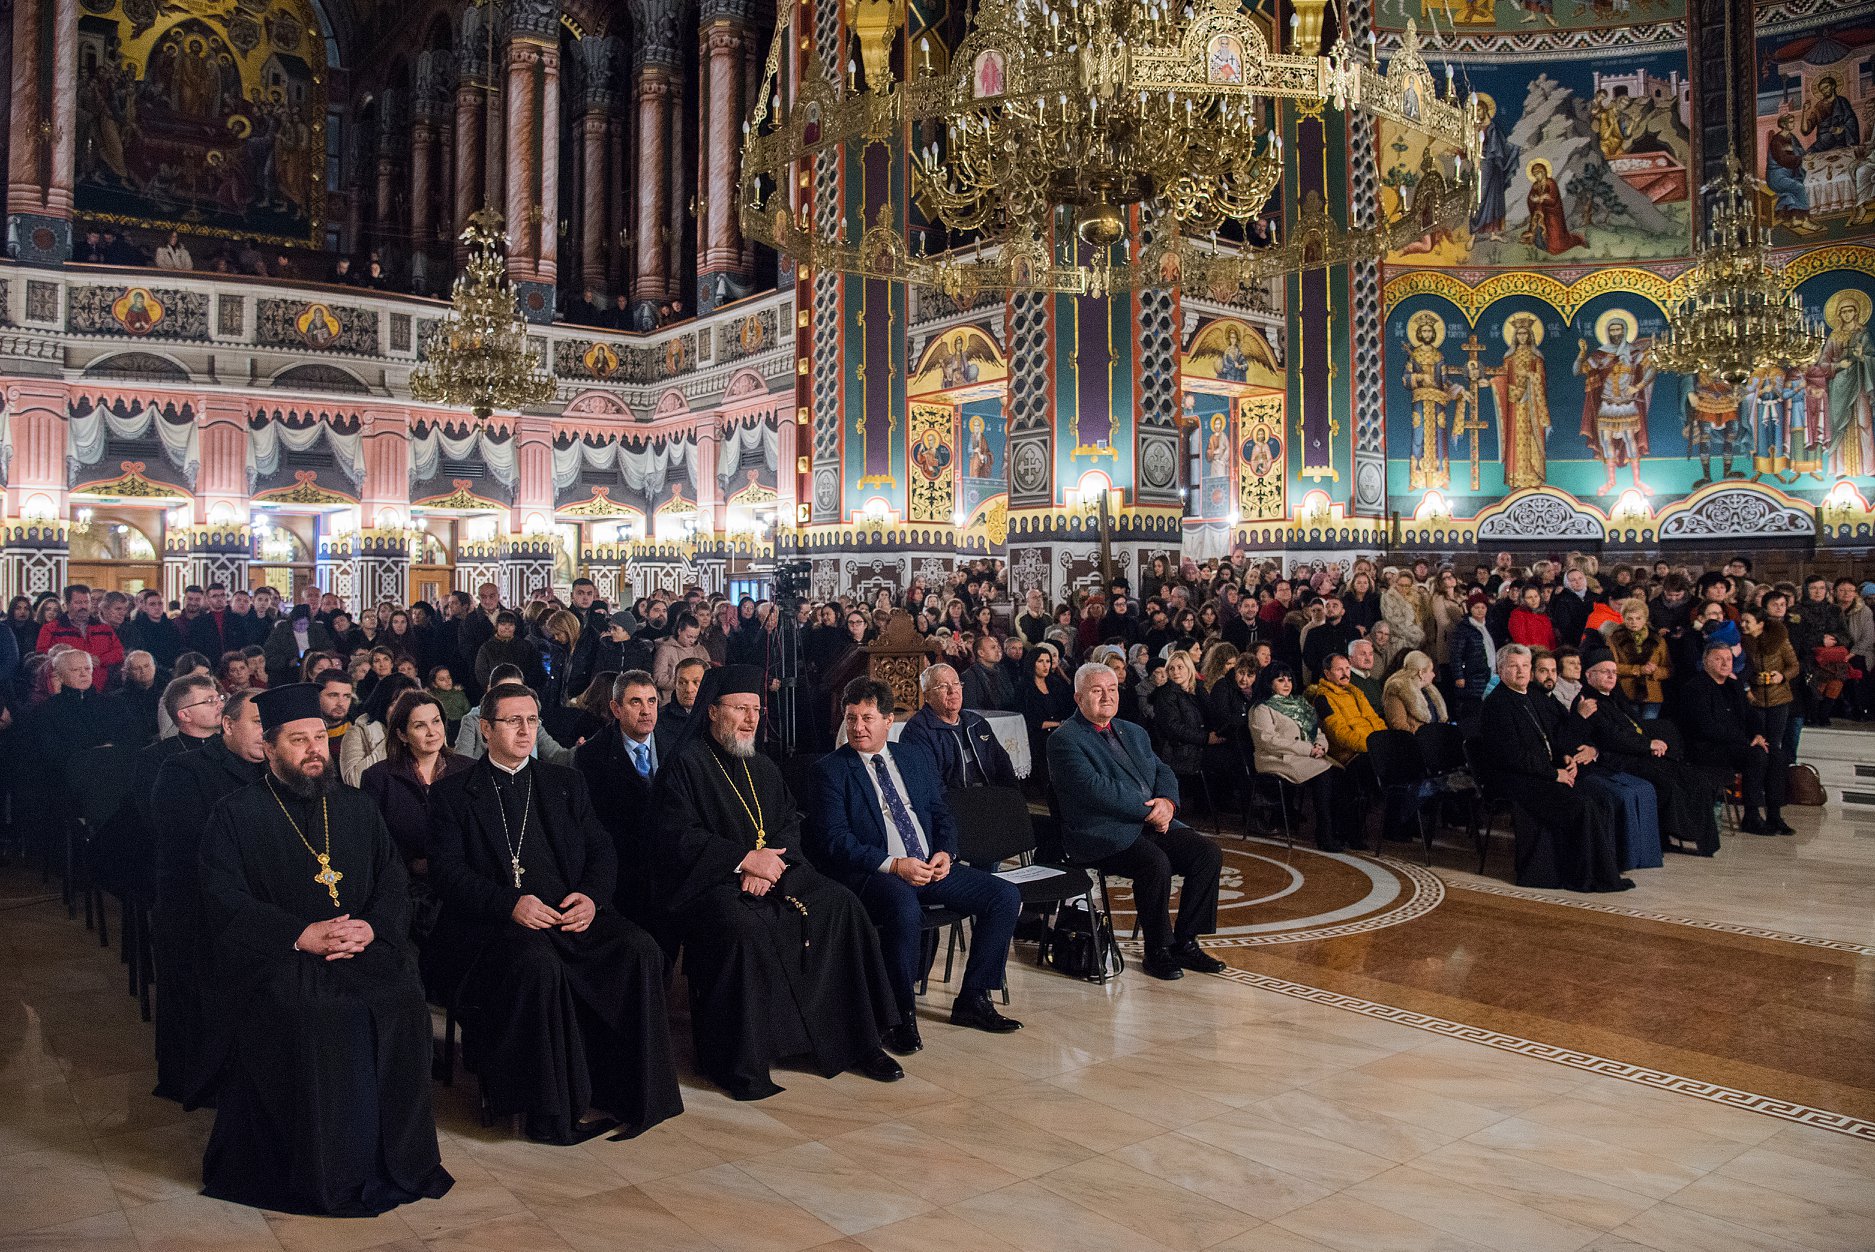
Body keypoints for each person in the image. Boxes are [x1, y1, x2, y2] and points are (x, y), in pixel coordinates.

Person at [194, 683, 453, 1215]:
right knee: (320, 1013)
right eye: (298, 740)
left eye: (319, 738)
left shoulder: (356, 806)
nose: (315, 749)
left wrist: (371, 928)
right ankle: (325, 1169)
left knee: (401, 994)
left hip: (362, 944)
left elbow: (391, 881)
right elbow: (221, 898)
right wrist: (302, 934)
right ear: (268, 747)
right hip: (281, 956)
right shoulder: (234, 815)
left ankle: (394, 1161)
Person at [428, 681, 683, 1144]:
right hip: (495, 928)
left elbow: (602, 851)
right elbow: (447, 875)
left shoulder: (565, 782)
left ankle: (633, 1093)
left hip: (569, 916)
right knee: (539, 965)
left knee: (638, 948)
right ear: (485, 729)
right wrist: (510, 904)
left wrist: (591, 897)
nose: (525, 731)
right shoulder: (452, 795)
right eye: (512, 721)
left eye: (532, 720)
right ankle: (552, 1111)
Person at [652, 664, 903, 1100]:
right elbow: (676, 836)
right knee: (743, 928)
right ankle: (744, 1061)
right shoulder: (685, 765)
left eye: (756, 709)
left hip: (776, 872)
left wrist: (770, 863)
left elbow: (789, 822)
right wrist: (744, 860)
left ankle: (858, 1041)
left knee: (841, 904)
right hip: (712, 883)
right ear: (712, 711)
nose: (751, 719)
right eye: (740, 709)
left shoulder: (762, 765)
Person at [813, 678, 1023, 1054]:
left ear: (889, 721)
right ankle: (900, 1016)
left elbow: (942, 813)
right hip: (874, 873)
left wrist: (946, 853)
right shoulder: (831, 769)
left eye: (867, 718)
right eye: (850, 718)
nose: (857, 727)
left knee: (1004, 896)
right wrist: (895, 866)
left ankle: (973, 998)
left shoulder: (912, 757)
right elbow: (835, 841)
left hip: (929, 866)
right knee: (904, 909)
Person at [1048, 663, 1224, 982]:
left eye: (1112, 689)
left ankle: (1186, 941)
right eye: (1097, 690)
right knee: (1155, 863)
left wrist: (1168, 803)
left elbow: (1163, 771)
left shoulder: (1133, 730)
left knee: (1206, 853)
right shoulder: (1065, 739)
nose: (1107, 696)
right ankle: (1157, 951)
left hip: (1147, 823)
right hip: (1101, 832)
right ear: (1078, 697)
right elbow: (1093, 788)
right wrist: (1149, 811)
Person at [1477, 645, 1632, 893]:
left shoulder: (1530, 696)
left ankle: (1599, 871)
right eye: (1514, 666)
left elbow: (1548, 738)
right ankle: (1582, 875)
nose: (1521, 672)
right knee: (1580, 805)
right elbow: (1513, 756)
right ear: (1500, 669)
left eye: (1525, 666)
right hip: (1513, 779)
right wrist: (1554, 773)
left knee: (1598, 800)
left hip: (1538, 773)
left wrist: (1565, 759)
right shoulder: (1497, 705)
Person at [1568, 650, 1721, 857]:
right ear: (1589, 676)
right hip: (1620, 758)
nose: (1611, 676)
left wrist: (1650, 743)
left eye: (1613, 672)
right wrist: (1648, 744)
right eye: (1605, 672)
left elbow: (1635, 724)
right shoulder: (1588, 701)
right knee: (1667, 785)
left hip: (1640, 752)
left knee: (1696, 778)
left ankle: (1704, 842)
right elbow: (1613, 737)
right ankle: (1675, 835)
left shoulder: (1614, 694)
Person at [573, 670, 680, 932]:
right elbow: (596, 826)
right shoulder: (591, 756)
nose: (646, 711)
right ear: (616, 708)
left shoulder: (678, 745)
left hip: (673, 869)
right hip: (624, 875)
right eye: (636, 702)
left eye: (652, 701)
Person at [1248, 662, 1356, 852]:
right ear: (1269, 683)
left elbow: (1318, 731)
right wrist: (1307, 749)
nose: (1286, 684)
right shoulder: (1261, 708)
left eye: (1289, 679)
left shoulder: (1300, 703)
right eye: (1280, 680)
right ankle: (1325, 833)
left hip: (1307, 757)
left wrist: (1321, 746)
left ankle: (1342, 831)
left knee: (1341, 776)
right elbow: (1268, 740)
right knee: (1325, 776)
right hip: (1277, 759)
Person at [899, 663, 1021, 789]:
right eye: (943, 686)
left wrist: (1012, 796)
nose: (953, 691)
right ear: (927, 696)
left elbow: (1003, 764)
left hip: (989, 796)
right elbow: (928, 784)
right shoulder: (917, 731)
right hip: (952, 802)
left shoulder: (977, 723)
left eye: (956, 684)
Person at [1736, 608, 1798, 836]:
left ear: (1761, 623)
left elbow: (1794, 666)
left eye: (1747, 621)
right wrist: (1749, 686)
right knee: (1758, 755)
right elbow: (1739, 672)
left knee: (1776, 755)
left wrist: (1782, 676)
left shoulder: (1780, 640)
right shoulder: (1740, 644)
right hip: (1752, 704)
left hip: (1778, 701)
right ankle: (1752, 813)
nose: (1743, 625)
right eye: (1742, 621)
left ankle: (1775, 814)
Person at [1310, 654, 1385, 766]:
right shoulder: (1322, 699)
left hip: (1374, 746)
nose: (1345, 674)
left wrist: (1385, 739)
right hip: (1353, 755)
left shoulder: (1356, 692)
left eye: (1347, 668)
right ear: (1327, 674)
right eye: (1339, 669)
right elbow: (1339, 734)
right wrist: (1372, 746)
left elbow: (1374, 718)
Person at [36, 583, 127, 676]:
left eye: (86, 602)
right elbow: (42, 655)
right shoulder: (51, 629)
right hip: (67, 684)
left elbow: (119, 652)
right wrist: (77, 659)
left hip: (101, 685)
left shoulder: (104, 628)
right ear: (66, 604)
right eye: (78, 603)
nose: (83, 606)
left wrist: (100, 660)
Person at [1383, 650, 1448, 733]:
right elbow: (1399, 726)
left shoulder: (1429, 690)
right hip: (1415, 742)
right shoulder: (1397, 690)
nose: (1434, 675)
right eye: (1431, 671)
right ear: (1421, 673)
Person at [960, 634, 1013, 711]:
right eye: (993, 647)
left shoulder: (1002, 671)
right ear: (981, 653)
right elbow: (971, 707)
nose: (998, 650)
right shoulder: (969, 676)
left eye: (998, 647)